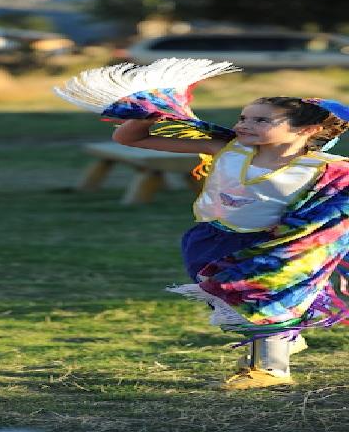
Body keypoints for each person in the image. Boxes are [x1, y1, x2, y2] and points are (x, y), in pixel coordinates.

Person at [112, 96, 349, 389]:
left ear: (308, 130)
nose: (244, 125)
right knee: (230, 300)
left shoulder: (327, 169)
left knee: (264, 301)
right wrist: (149, 114)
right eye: (243, 117)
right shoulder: (226, 149)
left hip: (277, 247)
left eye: (261, 120)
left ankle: (271, 370)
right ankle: (283, 339)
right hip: (211, 240)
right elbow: (129, 138)